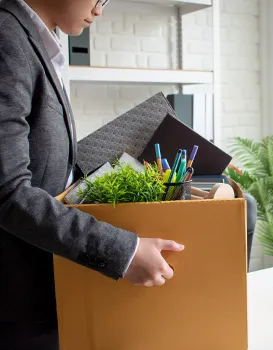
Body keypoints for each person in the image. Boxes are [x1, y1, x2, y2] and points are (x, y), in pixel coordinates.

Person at [0, 0, 185, 349]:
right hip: (18, 301)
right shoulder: (6, 38)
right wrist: (124, 251)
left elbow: (42, 165)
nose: (100, 10)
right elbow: (7, 192)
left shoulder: (38, 40)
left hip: (43, 286)